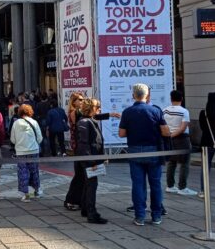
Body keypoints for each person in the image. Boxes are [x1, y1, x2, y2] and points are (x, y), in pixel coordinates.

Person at [119, 84, 170, 226]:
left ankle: (140, 216)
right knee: (155, 184)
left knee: (138, 184)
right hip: (153, 150)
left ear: (133, 95)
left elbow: (121, 133)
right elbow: (166, 132)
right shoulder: (155, 111)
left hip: (135, 150)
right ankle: (156, 216)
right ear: (147, 95)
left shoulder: (127, 112)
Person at [76, 99, 108, 224]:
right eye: (97, 107)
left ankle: (85, 209)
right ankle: (91, 213)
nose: (99, 108)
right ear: (91, 108)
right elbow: (84, 144)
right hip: (90, 160)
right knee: (91, 185)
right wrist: (92, 161)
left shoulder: (89, 121)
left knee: (88, 184)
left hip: (92, 158)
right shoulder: (85, 122)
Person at [163, 90, 196, 196]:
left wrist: (169, 136)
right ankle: (182, 187)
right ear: (181, 98)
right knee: (184, 163)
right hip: (182, 139)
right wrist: (173, 135)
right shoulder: (184, 111)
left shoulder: (165, 111)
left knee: (171, 163)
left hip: (169, 138)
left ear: (171, 98)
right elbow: (183, 128)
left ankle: (170, 186)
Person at [10, 104, 43, 202]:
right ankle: (36, 191)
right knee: (34, 171)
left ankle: (26, 194)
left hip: (21, 152)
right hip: (34, 150)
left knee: (23, 172)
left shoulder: (16, 123)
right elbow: (40, 138)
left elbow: (12, 139)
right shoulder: (34, 122)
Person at [64, 92, 85, 211]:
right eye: (80, 100)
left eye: (83, 100)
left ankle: (79, 199)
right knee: (79, 175)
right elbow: (80, 126)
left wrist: (109, 114)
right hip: (78, 146)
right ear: (74, 101)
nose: (82, 102)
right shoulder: (74, 113)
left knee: (82, 175)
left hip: (81, 146)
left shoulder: (80, 112)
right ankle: (70, 200)